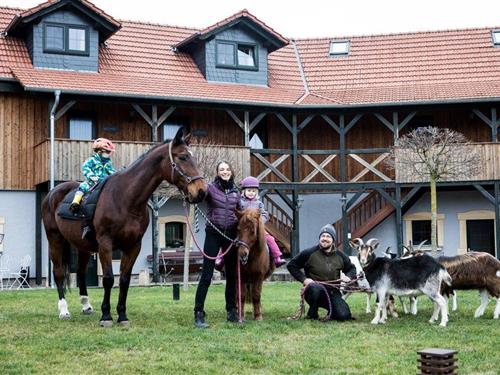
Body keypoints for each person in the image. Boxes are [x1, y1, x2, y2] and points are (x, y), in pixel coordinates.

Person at [194, 161, 240, 328]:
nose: (225, 172)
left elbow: (240, 212)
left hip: (231, 235)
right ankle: (199, 312)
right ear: (217, 172)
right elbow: (198, 197)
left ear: (231, 171)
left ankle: (231, 310)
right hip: (214, 233)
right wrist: (192, 194)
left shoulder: (236, 192)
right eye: (222, 170)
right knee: (207, 274)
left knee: (232, 275)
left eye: (227, 169)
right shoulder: (211, 188)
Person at [215, 176, 286, 271]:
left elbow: (264, 214)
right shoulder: (240, 202)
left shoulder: (259, 203)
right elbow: (236, 212)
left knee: (270, 238)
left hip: (256, 227)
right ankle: (221, 258)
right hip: (243, 227)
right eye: (249, 190)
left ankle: (277, 257)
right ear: (244, 191)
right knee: (230, 239)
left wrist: (260, 221)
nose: (251, 193)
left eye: (253, 191)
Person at [287, 224, 356, 321]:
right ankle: (313, 312)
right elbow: (291, 265)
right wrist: (304, 279)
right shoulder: (309, 252)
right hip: (313, 290)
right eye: (323, 236)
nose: (325, 239)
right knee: (315, 288)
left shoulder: (340, 256)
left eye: (328, 236)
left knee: (344, 315)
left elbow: (352, 269)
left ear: (333, 240)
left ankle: (332, 312)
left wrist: (348, 277)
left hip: (333, 292)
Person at [69, 138, 116, 238]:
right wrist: (92, 176)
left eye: (110, 152)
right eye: (107, 152)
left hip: (104, 183)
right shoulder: (91, 160)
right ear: (100, 152)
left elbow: (111, 171)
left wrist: (117, 176)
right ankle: (75, 203)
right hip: (92, 182)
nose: (109, 154)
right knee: (83, 188)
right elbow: (85, 168)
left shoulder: (108, 162)